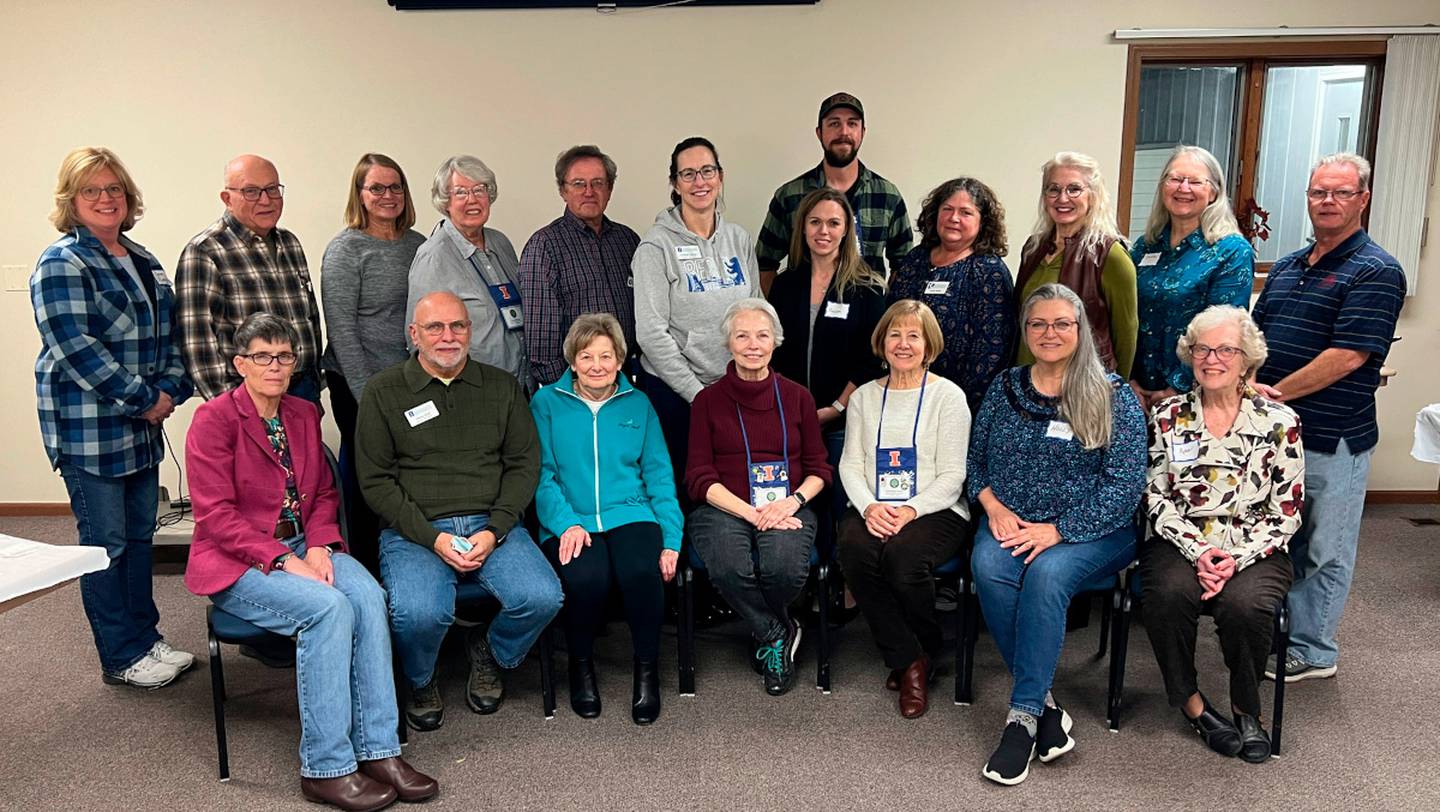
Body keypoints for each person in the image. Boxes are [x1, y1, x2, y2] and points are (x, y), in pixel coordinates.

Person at [184, 313, 438, 810]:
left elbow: (322, 492)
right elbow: (215, 516)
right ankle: (325, 767)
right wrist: (281, 560)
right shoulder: (213, 420)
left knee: (368, 597)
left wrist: (319, 544)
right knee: (328, 609)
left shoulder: (303, 412)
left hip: (306, 543)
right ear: (240, 364)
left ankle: (379, 751)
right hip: (239, 560)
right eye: (262, 357)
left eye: (284, 356)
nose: (275, 366)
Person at [356, 291, 562, 730]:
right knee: (418, 614)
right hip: (417, 530)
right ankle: (421, 678)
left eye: (458, 326)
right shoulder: (382, 391)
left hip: (492, 524)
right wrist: (432, 537)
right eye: (435, 327)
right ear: (414, 334)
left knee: (542, 597)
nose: (447, 337)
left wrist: (495, 530)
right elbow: (375, 481)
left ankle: (490, 650)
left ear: (471, 331)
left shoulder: (501, 386)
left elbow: (524, 466)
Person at [968, 283, 1147, 786]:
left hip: (1095, 529)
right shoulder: (1005, 389)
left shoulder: (1113, 395)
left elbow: (1125, 485)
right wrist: (992, 506)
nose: (1049, 333)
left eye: (1061, 323)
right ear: (1026, 332)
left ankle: (1021, 720)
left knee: (1046, 576)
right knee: (988, 566)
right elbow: (974, 462)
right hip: (1012, 520)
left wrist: (1059, 530)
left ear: (1080, 330)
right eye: (1038, 324)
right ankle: (1045, 707)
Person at [31, 147, 195, 689]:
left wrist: (171, 388)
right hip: (91, 431)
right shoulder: (62, 263)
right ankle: (121, 656)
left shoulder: (143, 260)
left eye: (114, 189)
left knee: (141, 539)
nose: (106, 199)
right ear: (71, 202)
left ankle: (146, 638)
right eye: (92, 191)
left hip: (142, 426)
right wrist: (144, 398)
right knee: (106, 546)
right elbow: (76, 349)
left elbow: (171, 337)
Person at [1251, 152, 1406, 683]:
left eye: (1340, 192)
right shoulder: (1291, 264)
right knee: (1282, 537)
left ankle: (1314, 649)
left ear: (1362, 198)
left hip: (1331, 435)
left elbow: (1349, 355)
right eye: (1319, 192)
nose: (1328, 202)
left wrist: (1273, 393)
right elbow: (1257, 334)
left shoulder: (1378, 271)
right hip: (1275, 436)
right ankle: (1283, 632)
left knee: (1324, 545)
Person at [1141, 305, 1304, 764]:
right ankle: (1192, 704)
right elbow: (1154, 495)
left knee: (1245, 605)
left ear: (1247, 358)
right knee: (1167, 595)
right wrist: (1200, 552)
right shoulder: (1169, 414)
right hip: (1181, 540)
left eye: (1226, 349)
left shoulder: (1280, 422)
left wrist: (1236, 557)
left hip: (1256, 546)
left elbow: (1287, 509)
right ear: (1189, 355)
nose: (1212, 359)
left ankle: (1245, 709)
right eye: (1202, 349)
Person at [530, 314, 684, 724]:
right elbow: (541, 476)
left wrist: (671, 538)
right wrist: (565, 524)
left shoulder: (639, 403)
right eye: (586, 356)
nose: (596, 365)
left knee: (641, 572)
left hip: (631, 512)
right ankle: (581, 667)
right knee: (586, 578)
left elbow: (659, 475)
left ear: (620, 360)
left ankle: (647, 670)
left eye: (606, 355)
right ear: (573, 361)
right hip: (571, 517)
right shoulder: (545, 403)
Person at [684, 298, 831, 696]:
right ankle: (776, 632)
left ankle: (766, 630)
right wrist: (750, 512)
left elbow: (820, 469)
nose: (753, 344)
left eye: (762, 335)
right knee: (731, 565)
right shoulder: (707, 401)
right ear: (728, 343)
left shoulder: (798, 397)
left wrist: (792, 502)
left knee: (782, 567)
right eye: (742, 335)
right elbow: (698, 477)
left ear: (776, 342)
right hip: (724, 507)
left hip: (788, 504)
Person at [836, 300, 971, 719]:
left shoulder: (948, 397)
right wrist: (870, 505)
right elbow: (851, 463)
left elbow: (953, 474)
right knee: (854, 550)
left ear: (929, 347)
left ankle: (916, 652)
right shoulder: (863, 399)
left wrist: (910, 509)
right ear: (883, 342)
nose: (904, 343)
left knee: (903, 558)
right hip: (873, 503)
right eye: (895, 334)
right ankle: (914, 658)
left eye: (915, 335)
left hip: (936, 508)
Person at [632, 136, 761, 490]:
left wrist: (749, 377)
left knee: (733, 486)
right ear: (674, 183)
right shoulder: (655, 247)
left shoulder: (738, 239)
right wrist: (699, 395)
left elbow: (755, 310)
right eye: (687, 174)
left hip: (735, 388)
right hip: (677, 395)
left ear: (720, 177)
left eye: (707, 171)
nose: (699, 182)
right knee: (686, 488)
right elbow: (651, 334)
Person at [320, 153, 426, 569]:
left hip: (411, 381)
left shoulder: (419, 246)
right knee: (369, 480)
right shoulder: (346, 250)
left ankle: (413, 563)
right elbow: (342, 330)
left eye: (395, 186)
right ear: (360, 195)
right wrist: (368, 397)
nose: (387, 195)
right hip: (359, 383)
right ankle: (365, 569)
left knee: (413, 474)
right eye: (376, 188)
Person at [766, 188, 887, 524]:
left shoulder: (868, 288)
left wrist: (834, 409)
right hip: (789, 418)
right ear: (802, 227)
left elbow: (872, 361)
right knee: (795, 504)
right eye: (815, 222)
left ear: (847, 229)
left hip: (843, 421)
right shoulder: (785, 284)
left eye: (833, 223)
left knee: (838, 504)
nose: (824, 231)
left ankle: (836, 574)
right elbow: (772, 352)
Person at [177, 154, 323, 403]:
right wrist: (230, 409)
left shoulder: (290, 243)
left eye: (272, 189)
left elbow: (309, 318)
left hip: (302, 391)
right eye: (251, 191)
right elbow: (197, 343)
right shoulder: (206, 250)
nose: (265, 200)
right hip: (245, 397)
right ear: (227, 198)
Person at [1129, 145, 1254, 410]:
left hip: (1196, 397)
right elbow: (1124, 315)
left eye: (1195, 181)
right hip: (1135, 396)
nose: (1183, 188)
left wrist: (1176, 388)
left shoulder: (1230, 252)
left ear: (1213, 192)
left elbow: (1224, 333)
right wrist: (1127, 381)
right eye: (1175, 179)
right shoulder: (1145, 247)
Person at [756, 92, 913, 289]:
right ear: (819, 132)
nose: (844, 132)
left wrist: (886, 309)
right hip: (805, 315)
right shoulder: (789, 196)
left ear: (862, 132)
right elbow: (764, 263)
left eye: (852, 123)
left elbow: (905, 265)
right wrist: (779, 312)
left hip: (869, 315)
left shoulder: (888, 196)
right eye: (834, 123)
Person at [887, 177, 1016, 410]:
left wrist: (955, 403)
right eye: (947, 209)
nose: (954, 218)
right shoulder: (915, 259)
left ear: (983, 222)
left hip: (956, 404)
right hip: (901, 392)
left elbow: (993, 353)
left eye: (966, 212)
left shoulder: (988, 271)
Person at [518, 145, 642, 386]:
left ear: (610, 189)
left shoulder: (628, 241)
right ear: (563, 191)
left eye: (598, 183)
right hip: (574, 389)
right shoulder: (544, 246)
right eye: (578, 184)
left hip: (625, 382)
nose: (589, 191)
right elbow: (541, 348)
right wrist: (569, 394)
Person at [408, 155, 531, 391]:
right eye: (461, 192)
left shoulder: (500, 242)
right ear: (445, 201)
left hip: (518, 385)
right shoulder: (433, 257)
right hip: (469, 391)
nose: (472, 199)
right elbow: (418, 342)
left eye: (479, 190)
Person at [1014, 152, 1138, 379]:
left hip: (1081, 384)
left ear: (1093, 196)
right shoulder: (1033, 248)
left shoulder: (1110, 255)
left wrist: (1116, 388)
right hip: (1028, 378)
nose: (1063, 198)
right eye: (1054, 189)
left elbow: (1126, 335)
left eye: (1074, 189)